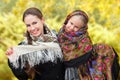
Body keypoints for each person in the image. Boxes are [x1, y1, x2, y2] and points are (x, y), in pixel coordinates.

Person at [58, 10, 119, 80]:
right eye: (71, 23)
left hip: (79, 69)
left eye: (76, 27)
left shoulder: (84, 39)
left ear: (82, 29)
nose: (71, 28)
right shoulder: (61, 33)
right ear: (67, 20)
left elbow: (79, 56)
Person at [6, 7, 65, 80]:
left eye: (34, 23)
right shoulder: (24, 47)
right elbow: (22, 76)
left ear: (42, 20)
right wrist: (12, 58)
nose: (32, 28)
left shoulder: (57, 38)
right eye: (28, 25)